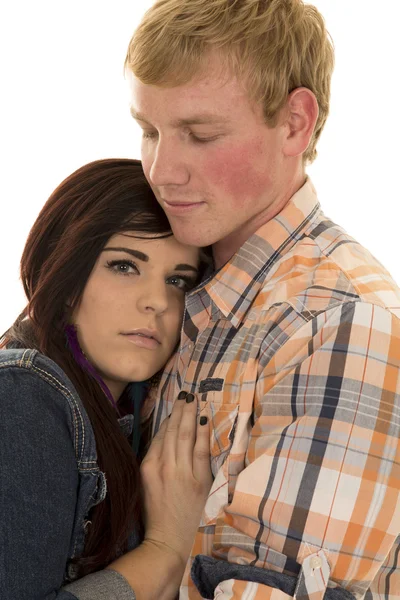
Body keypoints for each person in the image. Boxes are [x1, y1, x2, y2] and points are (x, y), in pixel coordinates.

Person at [124, 1, 400, 598]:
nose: (161, 170)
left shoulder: (344, 324)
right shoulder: (172, 282)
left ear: (296, 123)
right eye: (149, 130)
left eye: (199, 134)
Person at [0, 158, 213, 600]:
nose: (157, 301)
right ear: (65, 273)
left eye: (178, 279)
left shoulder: (139, 414)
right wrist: (165, 548)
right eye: (124, 266)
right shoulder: (25, 396)